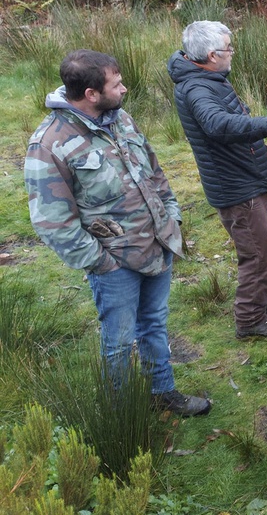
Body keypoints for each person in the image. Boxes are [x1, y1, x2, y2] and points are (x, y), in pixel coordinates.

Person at [25, 50, 211, 417]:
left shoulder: (121, 118)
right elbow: (51, 220)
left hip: (157, 243)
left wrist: (172, 215)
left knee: (155, 324)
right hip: (114, 263)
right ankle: (124, 414)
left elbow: (154, 169)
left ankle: (162, 392)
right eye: (116, 84)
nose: (124, 88)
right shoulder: (50, 143)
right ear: (91, 93)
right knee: (119, 342)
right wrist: (100, 262)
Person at [168, 21, 267, 340]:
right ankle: (249, 320)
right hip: (236, 188)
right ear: (212, 54)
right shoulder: (197, 87)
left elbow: (226, 126)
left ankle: (260, 304)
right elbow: (218, 125)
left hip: (241, 175)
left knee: (261, 248)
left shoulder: (205, 77)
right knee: (256, 254)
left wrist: (257, 144)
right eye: (229, 48)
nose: (233, 53)